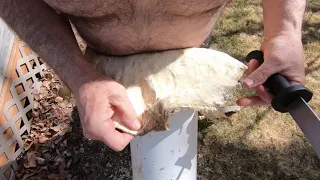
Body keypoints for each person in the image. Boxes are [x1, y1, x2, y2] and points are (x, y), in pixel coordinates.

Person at [0, 0, 306, 151]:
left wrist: (284, 31)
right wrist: (79, 76)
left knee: (171, 144)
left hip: (193, 53)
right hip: (99, 67)